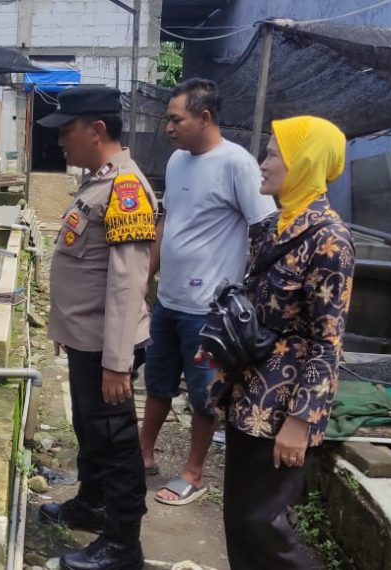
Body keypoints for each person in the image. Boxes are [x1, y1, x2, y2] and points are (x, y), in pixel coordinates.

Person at [208, 115, 355, 569]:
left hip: (283, 405)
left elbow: (327, 341)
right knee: (239, 516)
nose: (262, 163)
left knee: (263, 524)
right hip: (248, 392)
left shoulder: (329, 241)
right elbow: (257, 307)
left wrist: (301, 420)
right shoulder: (274, 226)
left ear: (303, 163)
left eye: (273, 154)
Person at [138, 78, 276, 506]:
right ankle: (142, 454)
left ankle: (194, 473)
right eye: (167, 120)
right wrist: (145, 277)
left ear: (205, 117)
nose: (168, 128)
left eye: (175, 120)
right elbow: (167, 222)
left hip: (209, 310)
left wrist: (248, 298)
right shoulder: (177, 161)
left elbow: (264, 229)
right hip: (168, 300)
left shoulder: (237, 164)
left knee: (205, 394)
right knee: (157, 382)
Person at [37, 85, 157, 570]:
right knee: (90, 431)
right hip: (87, 341)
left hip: (109, 348)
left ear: (97, 129)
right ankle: (92, 504)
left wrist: (116, 363)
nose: (60, 141)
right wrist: (67, 331)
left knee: (117, 443)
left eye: (66, 131)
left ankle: (123, 544)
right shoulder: (97, 182)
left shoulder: (125, 188)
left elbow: (127, 284)